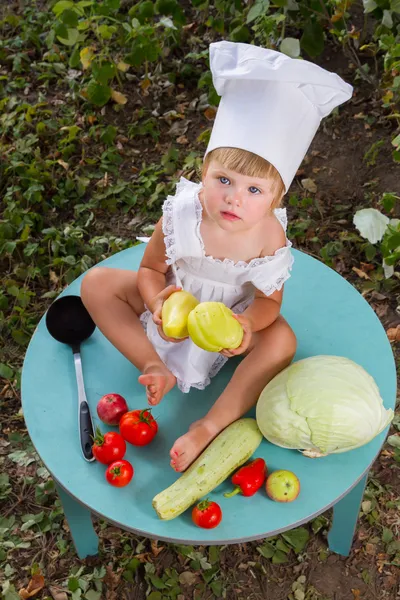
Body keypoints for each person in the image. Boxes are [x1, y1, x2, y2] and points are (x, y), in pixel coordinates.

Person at [81, 41, 353, 472]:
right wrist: (155, 303)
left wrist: (246, 325)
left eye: (254, 190)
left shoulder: (270, 237)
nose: (234, 199)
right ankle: (154, 364)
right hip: (176, 304)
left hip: (229, 323)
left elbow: (269, 302)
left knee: (282, 340)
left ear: (275, 199)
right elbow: (152, 268)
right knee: (96, 284)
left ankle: (210, 425)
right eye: (223, 179)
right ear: (202, 173)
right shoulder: (182, 212)